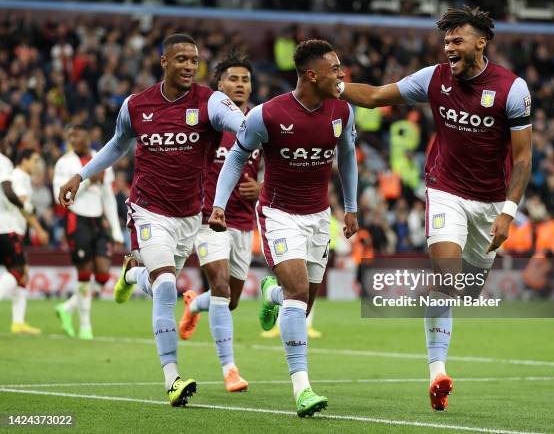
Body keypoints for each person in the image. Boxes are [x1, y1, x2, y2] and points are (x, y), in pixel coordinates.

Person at [340, 5, 532, 411]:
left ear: (481, 42)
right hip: (444, 190)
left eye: (456, 40)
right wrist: (335, 89)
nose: (448, 48)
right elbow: (375, 96)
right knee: (446, 277)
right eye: (445, 41)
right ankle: (437, 372)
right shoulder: (433, 78)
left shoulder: (513, 89)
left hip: (491, 201)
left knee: (468, 289)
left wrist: (509, 211)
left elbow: (524, 158)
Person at [58, 34, 246, 407]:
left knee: (159, 280)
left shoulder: (210, 102)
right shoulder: (137, 105)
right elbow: (117, 144)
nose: (190, 66)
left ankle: (130, 274)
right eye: (181, 59)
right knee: (164, 288)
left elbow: (239, 124)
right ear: (164, 62)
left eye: (194, 60)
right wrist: (81, 175)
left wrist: (252, 129)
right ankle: (172, 378)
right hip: (147, 209)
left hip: (190, 215)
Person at [209, 39, 359, 417]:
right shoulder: (268, 114)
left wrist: (351, 209)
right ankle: (302, 388)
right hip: (278, 213)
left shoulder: (342, 111)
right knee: (297, 293)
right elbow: (236, 159)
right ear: (312, 74)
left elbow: (348, 159)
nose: (341, 75)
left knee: (302, 300)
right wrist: (218, 205)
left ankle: (270, 294)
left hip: (318, 216)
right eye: (335, 69)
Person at [178, 52, 260, 393]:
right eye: (233, 79)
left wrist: (263, 188)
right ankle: (229, 369)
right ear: (219, 85)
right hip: (209, 218)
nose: (240, 85)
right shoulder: (209, 122)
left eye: (245, 80)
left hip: (244, 220)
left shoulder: (257, 122)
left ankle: (195, 304)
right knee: (223, 289)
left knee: (231, 299)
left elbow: (280, 165)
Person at [53, 124, 124, 340]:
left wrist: (117, 230)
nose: (74, 139)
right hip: (77, 218)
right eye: (71, 136)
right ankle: (85, 326)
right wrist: (86, 181)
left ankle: (67, 307)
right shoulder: (64, 163)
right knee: (84, 275)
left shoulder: (102, 159)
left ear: (88, 137)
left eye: (78, 135)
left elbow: (108, 197)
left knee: (102, 275)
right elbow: (62, 196)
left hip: (98, 219)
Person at [0, 149, 49, 334]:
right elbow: (21, 207)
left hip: (13, 229)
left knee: (23, 274)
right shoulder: (19, 177)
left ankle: (18, 322)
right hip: (10, 228)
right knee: (17, 271)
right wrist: (39, 228)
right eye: (34, 160)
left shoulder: (20, 177)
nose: (37, 165)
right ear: (24, 160)